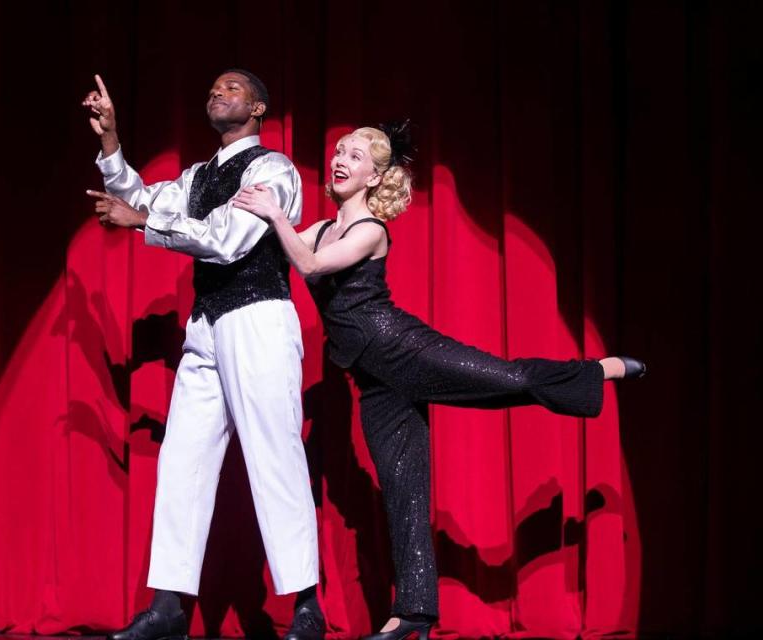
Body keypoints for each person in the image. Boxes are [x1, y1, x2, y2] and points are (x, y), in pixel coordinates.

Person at [230, 123, 645, 640]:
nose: (339, 160)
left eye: (355, 156)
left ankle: (594, 371)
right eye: (339, 151)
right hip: (371, 379)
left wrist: (273, 215)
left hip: (404, 349)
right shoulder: (314, 228)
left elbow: (309, 264)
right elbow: (277, 247)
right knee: (402, 493)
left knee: (507, 378)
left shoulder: (371, 231)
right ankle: (415, 615)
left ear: (374, 176)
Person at [82, 70, 324, 640]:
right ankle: (169, 607)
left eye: (233, 88)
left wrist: (144, 223)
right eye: (213, 87)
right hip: (208, 325)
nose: (218, 93)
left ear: (259, 107)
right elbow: (142, 196)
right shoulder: (199, 175)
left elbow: (226, 238)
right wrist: (110, 141)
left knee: (274, 456)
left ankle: (307, 605)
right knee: (182, 462)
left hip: (258, 319)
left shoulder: (272, 169)